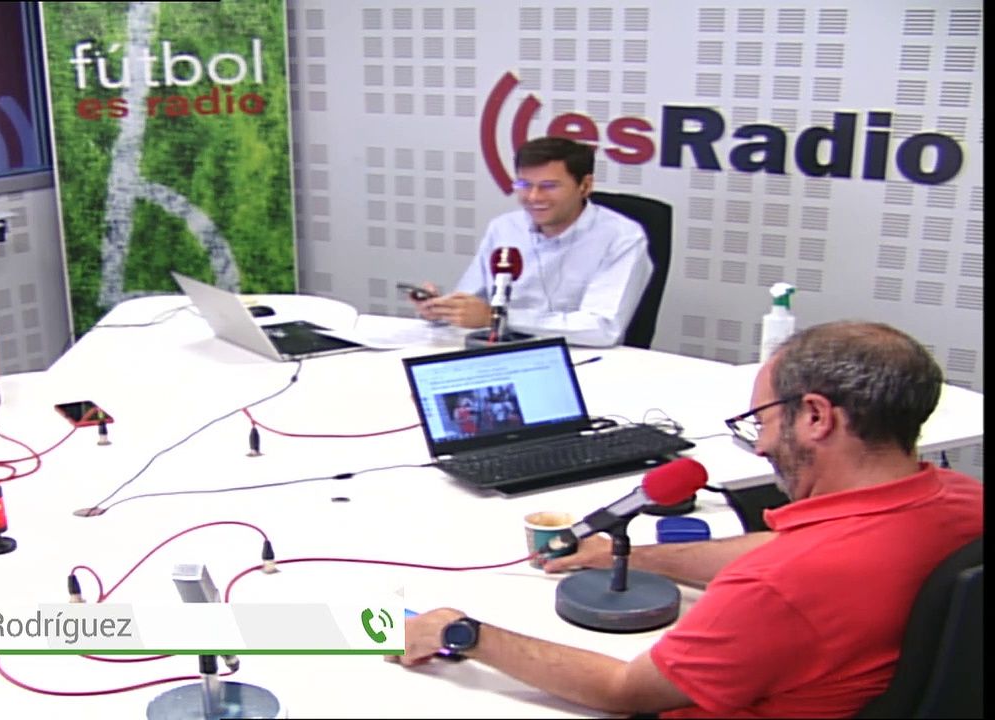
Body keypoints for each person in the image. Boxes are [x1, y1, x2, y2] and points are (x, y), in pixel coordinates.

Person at [394, 321, 983, 717]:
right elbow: (780, 552)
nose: (761, 446)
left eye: (763, 421)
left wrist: (462, 632)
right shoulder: (962, 501)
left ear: (816, 417)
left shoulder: (781, 586)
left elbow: (623, 689)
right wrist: (630, 556)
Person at [413, 136, 652, 347]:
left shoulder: (621, 237)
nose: (534, 197)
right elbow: (473, 301)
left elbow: (602, 329)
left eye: (549, 186)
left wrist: (495, 318)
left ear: (585, 186)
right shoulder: (505, 228)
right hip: (502, 352)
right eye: (524, 185)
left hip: (583, 359)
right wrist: (441, 310)